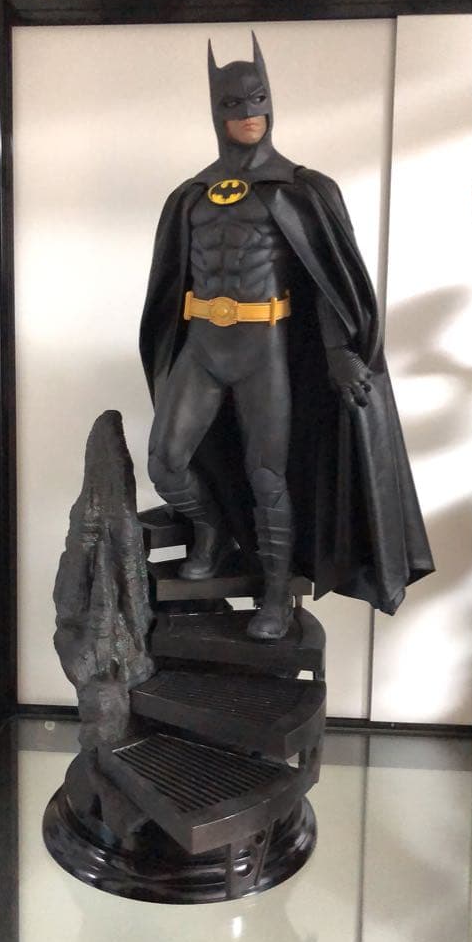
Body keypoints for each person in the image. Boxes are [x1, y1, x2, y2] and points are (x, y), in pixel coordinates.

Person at [140, 34, 433, 640]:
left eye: (258, 99)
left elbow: (328, 280)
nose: (249, 113)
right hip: (203, 346)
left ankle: (275, 593)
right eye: (233, 103)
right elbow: (169, 284)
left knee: (268, 475)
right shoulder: (190, 196)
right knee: (166, 462)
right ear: (215, 110)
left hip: (266, 350)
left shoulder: (303, 189)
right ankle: (214, 530)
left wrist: (339, 351)